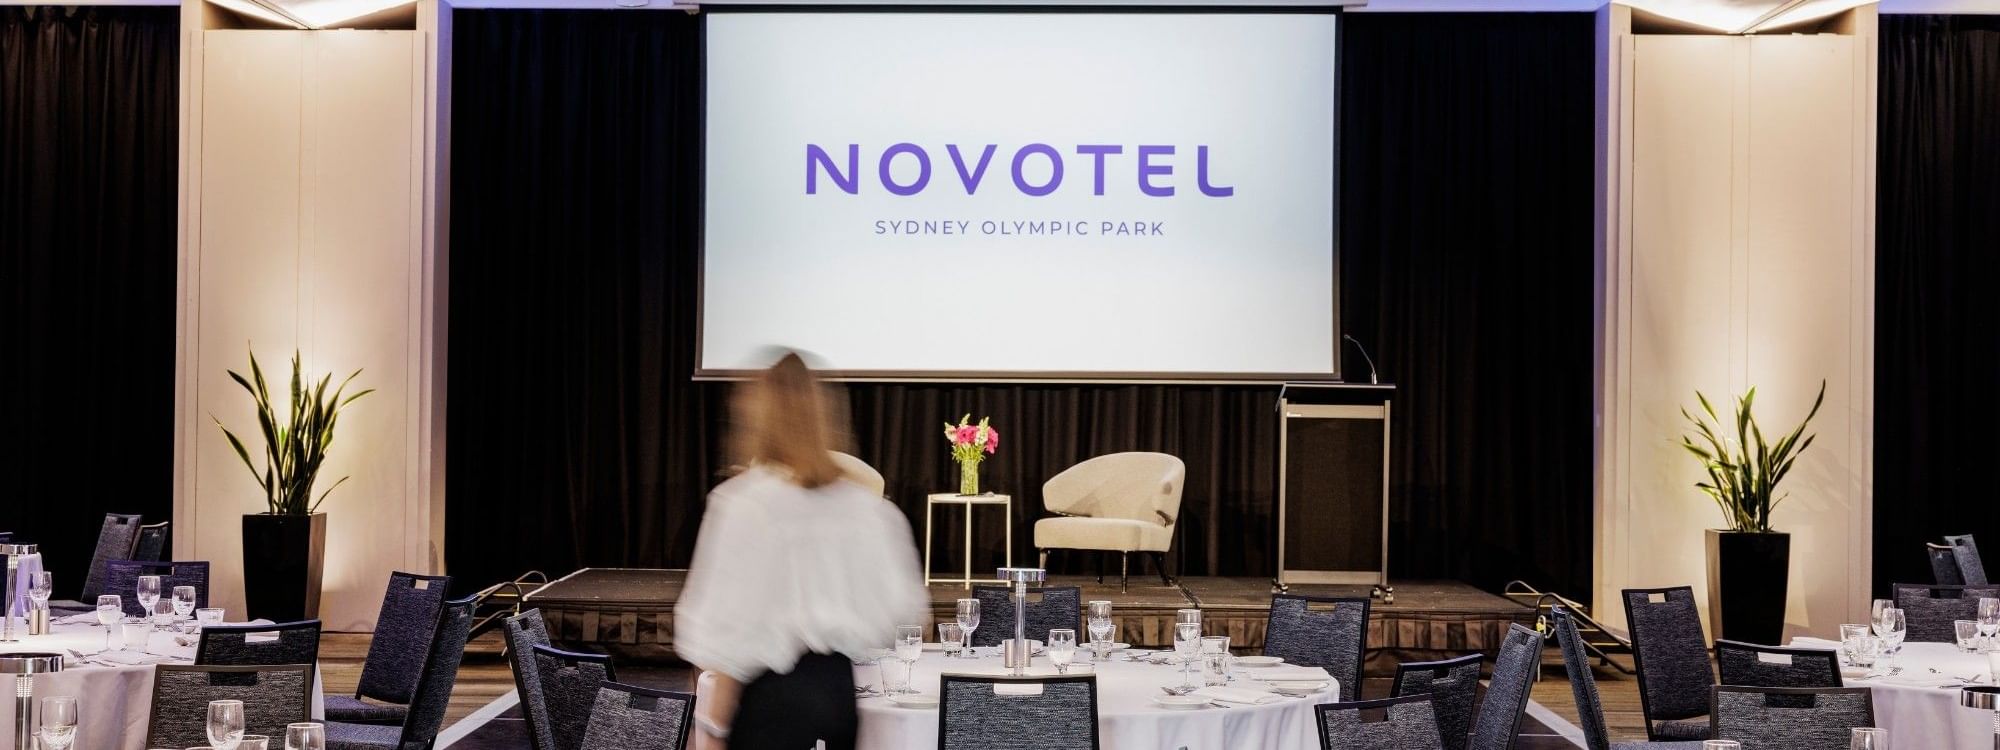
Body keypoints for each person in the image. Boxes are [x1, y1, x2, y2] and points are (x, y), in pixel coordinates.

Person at [677, 351, 928, 750]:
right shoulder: (865, 508)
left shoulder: (744, 504)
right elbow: (903, 607)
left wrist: (712, 730)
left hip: (771, 703)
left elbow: (727, 635)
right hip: (838, 698)